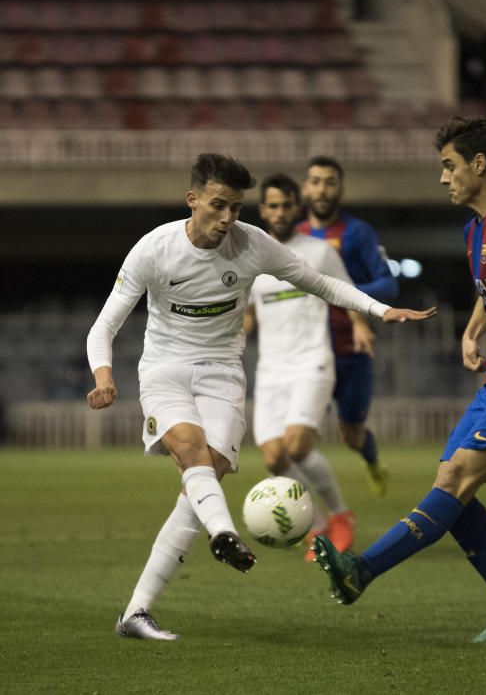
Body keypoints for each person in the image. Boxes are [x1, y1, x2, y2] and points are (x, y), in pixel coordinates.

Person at [86, 153, 435, 641]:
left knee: (202, 477)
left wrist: (379, 309)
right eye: (218, 205)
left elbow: (319, 281)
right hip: (164, 369)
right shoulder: (153, 249)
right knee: (189, 450)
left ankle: (136, 613)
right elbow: (104, 326)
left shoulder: (252, 245)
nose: (228, 218)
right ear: (193, 201)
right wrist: (104, 376)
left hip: (223, 374)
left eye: (236, 208)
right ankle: (225, 533)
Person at [313, 116, 486, 644]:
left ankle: (360, 570)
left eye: (449, 165)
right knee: (450, 490)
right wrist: (472, 333)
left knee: (456, 478)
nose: (443, 178)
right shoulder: (476, 227)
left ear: (479, 165)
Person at [245, 173, 374, 558]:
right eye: (273, 205)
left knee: (298, 447)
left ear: (296, 208)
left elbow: (347, 292)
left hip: (312, 363)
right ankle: (317, 530)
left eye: (287, 205)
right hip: (271, 371)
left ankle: (340, 515)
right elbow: (248, 313)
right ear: (263, 209)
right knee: (273, 458)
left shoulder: (318, 253)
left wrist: (361, 325)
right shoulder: (252, 257)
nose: (280, 212)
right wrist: (233, 339)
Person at [297, 156, 398, 496]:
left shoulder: (358, 234)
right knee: (298, 435)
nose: (322, 189)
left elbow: (388, 284)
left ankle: (372, 462)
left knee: (352, 436)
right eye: (315, 181)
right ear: (305, 188)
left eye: (329, 182)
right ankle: (304, 510)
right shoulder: (293, 238)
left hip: (351, 352)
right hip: (307, 353)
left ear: (340, 189)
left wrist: (347, 296)